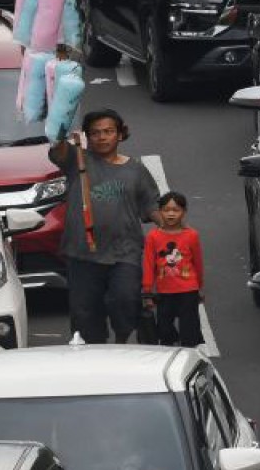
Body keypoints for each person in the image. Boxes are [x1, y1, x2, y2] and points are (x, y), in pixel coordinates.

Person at [50, 109, 160, 344]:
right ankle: (94, 355)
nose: (102, 137)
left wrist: (172, 228)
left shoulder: (136, 170)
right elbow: (58, 151)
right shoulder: (77, 159)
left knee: (125, 299)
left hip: (125, 252)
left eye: (109, 131)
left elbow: (150, 206)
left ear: (120, 134)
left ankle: (122, 340)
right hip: (82, 253)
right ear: (87, 137)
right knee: (85, 314)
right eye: (96, 133)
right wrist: (59, 131)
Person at [143, 192, 204, 348]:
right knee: (164, 330)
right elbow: (149, 265)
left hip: (188, 290)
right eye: (166, 210)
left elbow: (197, 262)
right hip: (164, 292)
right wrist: (147, 292)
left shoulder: (192, 235)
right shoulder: (153, 237)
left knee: (189, 331)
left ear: (184, 212)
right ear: (160, 212)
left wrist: (200, 287)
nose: (171, 214)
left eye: (175, 210)